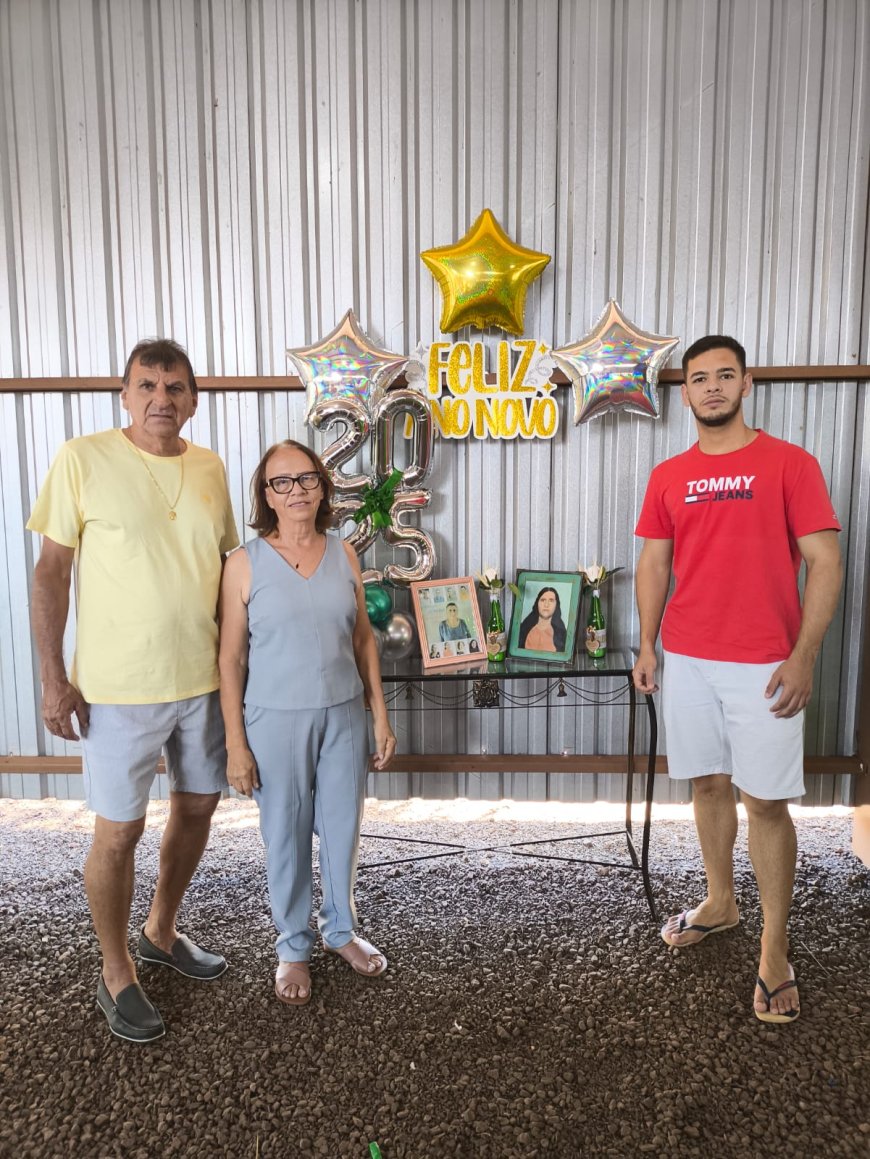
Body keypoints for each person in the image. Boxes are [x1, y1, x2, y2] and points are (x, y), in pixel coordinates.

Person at [27, 338, 240, 1044]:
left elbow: (227, 576)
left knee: (198, 808)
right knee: (120, 830)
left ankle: (161, 929)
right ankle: (117, 968)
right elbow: (50, 573)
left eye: (175, 387)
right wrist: (55, 678)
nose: (161, 398)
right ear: (124, 394)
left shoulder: (210, 468)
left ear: (193, 401)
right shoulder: (83, 459)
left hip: (203, 682)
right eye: (147, 384)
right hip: (118, 688)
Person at [633, 335, 842, 1025]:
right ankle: (721, 902)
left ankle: (775, 949)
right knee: (708, 783)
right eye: (699, 378)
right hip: (687, 657)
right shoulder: (668, 474)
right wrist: (647, 645)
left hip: (765, 664)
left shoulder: (790, 464)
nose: (713, 387)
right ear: (684, 392)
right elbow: (654, 566)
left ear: (747, 384)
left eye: (726, 375)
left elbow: (825, 562)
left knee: (768, 802)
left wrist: (805, 653)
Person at [218, 439, 396, 1007]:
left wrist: (381, 716)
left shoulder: (344, 553)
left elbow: (363, 638)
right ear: (265, 495)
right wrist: (235, 744)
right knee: (286, 836)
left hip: (344, 713)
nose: (296, 491)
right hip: (274, 720)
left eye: (306, 479)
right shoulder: (244, 563)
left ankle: (340, 931)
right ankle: (292, 945)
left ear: (322, 485)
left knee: (343, 829)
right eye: (281, 482)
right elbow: (230, 659)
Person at [517, 587, 567, 653]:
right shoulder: (522, 630)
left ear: (556, 605)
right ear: (537, 603)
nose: (546, 605)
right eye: (543, 600)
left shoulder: (562, 635)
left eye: (551, 600)